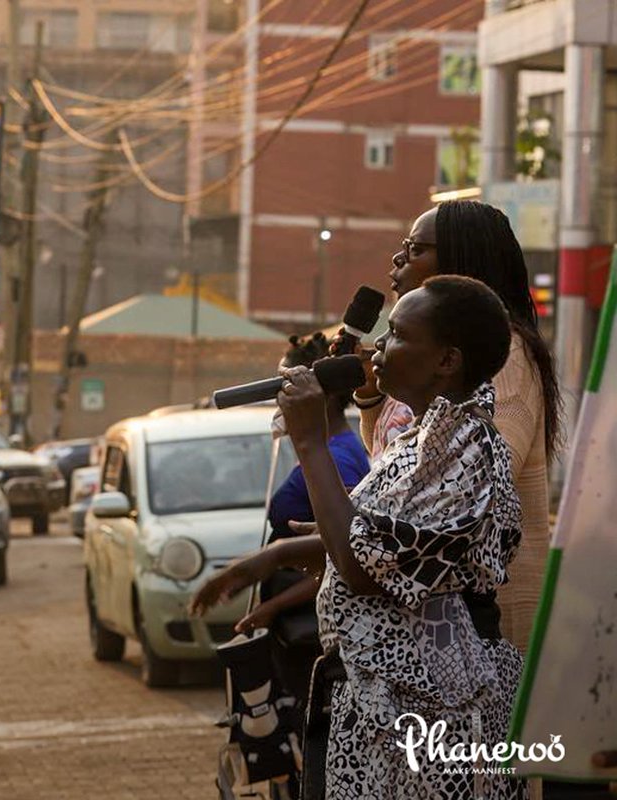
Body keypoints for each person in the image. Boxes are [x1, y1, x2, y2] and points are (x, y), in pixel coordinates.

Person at [193, 276, 526, 800]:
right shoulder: (417, 441)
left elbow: (364, 565)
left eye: (396, 335)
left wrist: (309, 440)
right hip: (382, 699)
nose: (377, 349)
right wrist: (272, 557)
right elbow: (383, 543)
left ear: (447, 360)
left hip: (433, 709)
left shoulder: (469, 447)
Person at [344, 200, 561, 652]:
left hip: (481, 638)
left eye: (417, 248)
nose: (398, 259)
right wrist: (368, 397)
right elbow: (396, 459)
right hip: (429, 625)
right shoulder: (432, 360)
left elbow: (461, 480)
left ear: (463, 263)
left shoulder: (505, 361)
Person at [249, 331, 371, 708]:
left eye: (287, 386)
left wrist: (276, 605)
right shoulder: (325, 449)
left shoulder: (338, 458)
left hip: (311, 629)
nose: (279, 399)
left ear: (322, 393)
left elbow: (348, 551)